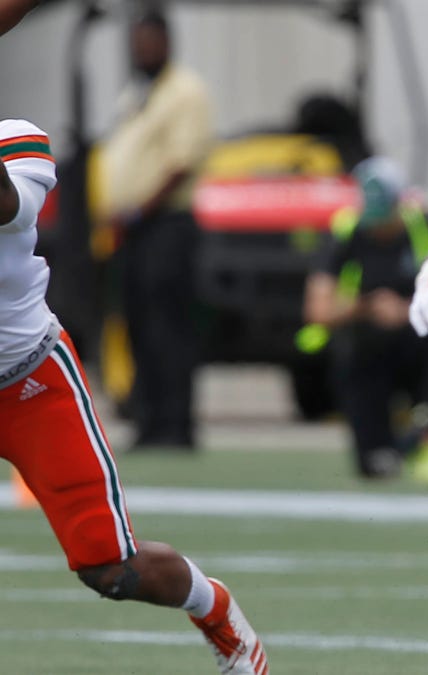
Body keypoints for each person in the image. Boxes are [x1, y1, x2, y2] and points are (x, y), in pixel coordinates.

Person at [0, 118, 268, 674]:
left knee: (111, 569)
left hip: (30, 385)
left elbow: (9, 207)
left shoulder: (17, 138)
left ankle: (212, 607)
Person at [302, 156, 428, 484]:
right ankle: (376, 448)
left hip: (419, 334)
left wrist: (406, 311)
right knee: (352, 346)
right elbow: (317, 310)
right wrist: (366, 306)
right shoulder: (345, 232)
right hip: (369, 339)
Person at [99, 7, 213, 450]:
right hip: (133, 231)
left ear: (167, 41)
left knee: (169, 326)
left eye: (149, 40)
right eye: (137, 41)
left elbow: (180, 164)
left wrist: (138, 210)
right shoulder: (138, 92)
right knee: (139, 324)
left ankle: (176, 426)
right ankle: (149, 422)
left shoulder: (185, 91)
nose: (141, 49)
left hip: (166, 225)